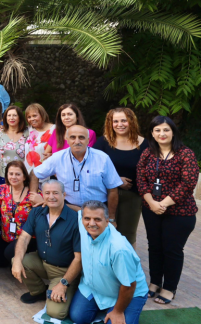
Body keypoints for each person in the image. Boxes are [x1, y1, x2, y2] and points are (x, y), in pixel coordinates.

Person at [136, 115, 198, 305]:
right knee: (154, 247)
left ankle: (169, 288)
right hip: (151, 209)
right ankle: (154, 283)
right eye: (157, 130)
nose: (162, 134)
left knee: (172, 250)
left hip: (180, 212)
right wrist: (151, 203)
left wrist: (163, 203)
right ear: (152, 134)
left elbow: (188, 183)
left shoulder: (185, 154)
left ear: (173, 132)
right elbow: (140, 178)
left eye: (166, 130)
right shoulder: (148, 153)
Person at [10, 180, 81, 320]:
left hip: (64, 272)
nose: (51, 197)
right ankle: (39, 292)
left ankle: (70, 290)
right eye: (47, 193)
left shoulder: (75, 220)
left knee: (56, 313)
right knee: (17, 260)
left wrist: (63, 283)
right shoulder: (37, 212)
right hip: (42, 262)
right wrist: (17, 261)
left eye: (55, 193)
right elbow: (24, 238)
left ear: (64, 195)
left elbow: (79, 258)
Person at [69, 201, 149, 324]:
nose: (91, 223)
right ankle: (106, 308)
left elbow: (129, 285)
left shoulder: (119, 248)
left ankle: (116, 308)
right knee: (78, 317)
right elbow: (78, 210)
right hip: (93, 287)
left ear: (107, 221)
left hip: (127, 292)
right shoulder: (82, 221)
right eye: (87, 218)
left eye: (97, 219)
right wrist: (49, 201)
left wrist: (117, 311)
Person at [33, 125, 122, 214]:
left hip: (98, 210)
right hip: (68, 209)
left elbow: (113, 190)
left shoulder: (102, 158)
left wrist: (111, 219)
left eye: (81, 137)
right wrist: (34, 194)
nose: (77, 141)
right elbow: (34, 173)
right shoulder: (57, 158)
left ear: (88, 140)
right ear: (67, 139)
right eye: (72, 137)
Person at [93, 108, 147, 245]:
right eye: (115, 121)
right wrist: (116, 180)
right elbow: (93, 168)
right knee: (103, 233)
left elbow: (148, 172)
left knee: (127, 237)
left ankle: (127, 266)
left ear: (131, 121)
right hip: (104, 195)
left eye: (124, 120)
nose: (120, 124)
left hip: (132, 197)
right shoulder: (102, 143)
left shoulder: (145, 144)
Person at [0, 161, 39, 267]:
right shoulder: (2, 189)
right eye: (11, 174)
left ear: (24, 177)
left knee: (9, 254)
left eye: (18, 174)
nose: (14, 177)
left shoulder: (33, 193)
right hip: (6, 237)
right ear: (6, 175)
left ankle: (25, 262)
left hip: (27, 238)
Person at [0, 105, 28, 176]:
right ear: (5, 118)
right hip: (3, 174)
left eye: (14, 115)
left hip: (21, 174)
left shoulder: (28, 133)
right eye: (9, 115)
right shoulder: (0, 133)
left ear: (19, 117)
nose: (11, 118)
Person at [24, 103, 54, 173]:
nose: (32, 119)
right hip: (29, 173)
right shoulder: (28, 130)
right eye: (29, 117)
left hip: (48, 172)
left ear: (42, 115)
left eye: (34, 116)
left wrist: (52, 155)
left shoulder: (54, 130)